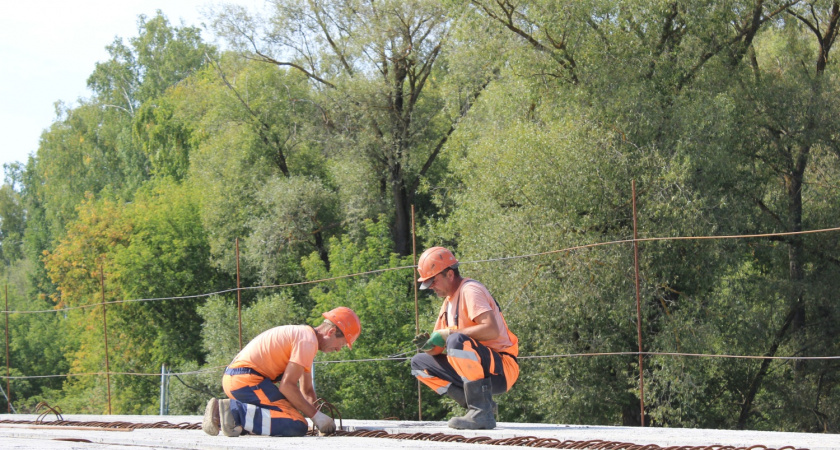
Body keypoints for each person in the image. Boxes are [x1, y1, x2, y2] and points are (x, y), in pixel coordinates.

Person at [202, 306, 361, 437]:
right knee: (296, 425)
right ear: (331, 332)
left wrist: (320, 422)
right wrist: (316, 417)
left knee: (291, 418)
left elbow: (306, 391)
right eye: (342, 343)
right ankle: (233, 411)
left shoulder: (306, 338)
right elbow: (287, 387)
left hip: (240, 379)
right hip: (246, 380)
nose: (339, 349)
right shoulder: (307, 341)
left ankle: (232, 421)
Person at [410, 246, 519, 430]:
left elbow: (491, 330)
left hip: (501, 369)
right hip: (472, 369)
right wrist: (430, 345)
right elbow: (439, 348)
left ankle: (480, 411)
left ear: (450, 275)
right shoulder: (447, 303)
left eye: (433, 281)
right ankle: (479, 406)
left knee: (456, 341)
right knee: (419, 364)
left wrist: (450, 334)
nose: (431, 287)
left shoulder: (470, 290)